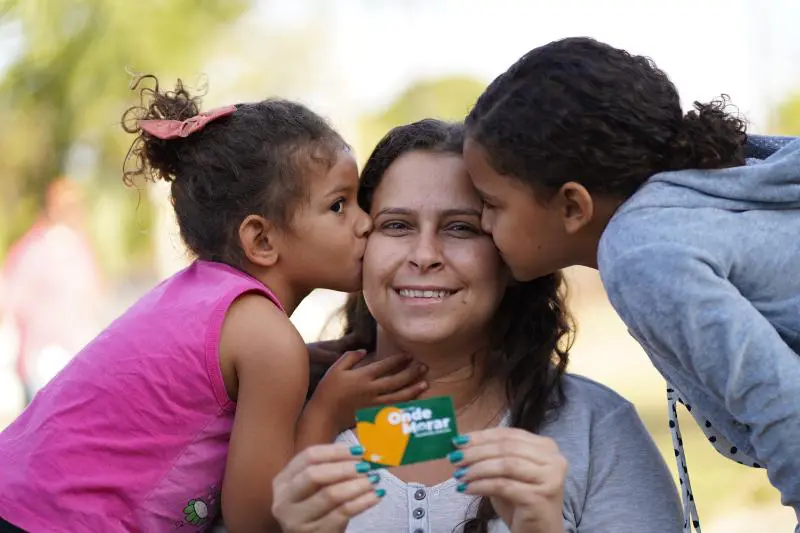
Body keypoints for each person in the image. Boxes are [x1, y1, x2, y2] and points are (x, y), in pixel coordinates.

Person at [0, 75, 426, 533]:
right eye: (340, 206)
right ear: (261, 239)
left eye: (462, 226)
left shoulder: (203, 298)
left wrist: (301, 371)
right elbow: (254, 521)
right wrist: (327, 411)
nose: (367, 225)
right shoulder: (268, 342)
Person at [270, 119, 683, 533]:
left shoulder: (595, 428)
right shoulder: (270, 408)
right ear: (359, 241)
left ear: (509, 253)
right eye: (397, 225)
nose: (425, 254)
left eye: (461, 228)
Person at [461, 36, 800, 531]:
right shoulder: (702, 201)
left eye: (492, 203)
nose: (484, 223)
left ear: (573, 207)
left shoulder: (640, 251)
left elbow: (785, 411)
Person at [1, 177, 103, 405]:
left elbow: (91, 299)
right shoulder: (37, 248)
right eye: (69, 206)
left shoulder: (80, 246)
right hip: (46, 360)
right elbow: (14, 302)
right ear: (54, 208)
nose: (77, 212)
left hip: (78, 357)